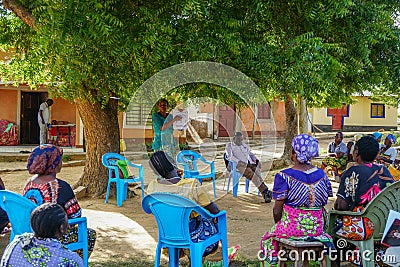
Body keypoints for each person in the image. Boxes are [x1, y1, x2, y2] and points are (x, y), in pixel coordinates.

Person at [260, 134, 334, 266]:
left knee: (267, 238)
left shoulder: (284, 176)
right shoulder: (322, 174)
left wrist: (279, 225)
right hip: (317, 229)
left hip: (292, 229)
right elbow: (325, 200)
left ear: (294, 152)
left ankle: (274, 261)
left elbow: (277, 211)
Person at [23, 144, 96, 259]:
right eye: (60, 160)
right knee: (90, 234)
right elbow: (75, 216)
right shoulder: (61, 186)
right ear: (54, 163)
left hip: (29, 232)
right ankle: (71, 262)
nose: (61, 163)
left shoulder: (29, 183)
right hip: (54, 237)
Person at [147, 151, 220, 259]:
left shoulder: (152, 187)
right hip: (192, 236)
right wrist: (218, 214)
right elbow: (213, 209)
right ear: (172, 163)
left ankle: (177, 255)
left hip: (168, 235)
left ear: (155, 171)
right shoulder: (191, 184)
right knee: (212, 219)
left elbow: (149, 210)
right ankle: (195, 256)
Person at [333, 136, 393, 265]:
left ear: (357, 152)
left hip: (363, 227)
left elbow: (341, 206)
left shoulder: (353, 171)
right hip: (385, 226)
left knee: (333, 223)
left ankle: (339, 261)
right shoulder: (385, 171)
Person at [1, 203, 84, 267]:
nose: (68, 225)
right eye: (67, 220)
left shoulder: (16, 243)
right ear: (61, 228)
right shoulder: (71, 260)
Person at [225, 132, 272, 203]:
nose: (240, 141)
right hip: (239, 166)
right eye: (238, 140)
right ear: (234, 139)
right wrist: (239, 162)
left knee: (258, 174)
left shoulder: (243, 145)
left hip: (249, 164)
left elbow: (250, 153)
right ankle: (265, 192)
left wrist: (256, 159)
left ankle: (265, 192)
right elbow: (230, 156)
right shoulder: (229, 145)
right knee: (252, 175)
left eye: (241, 140)